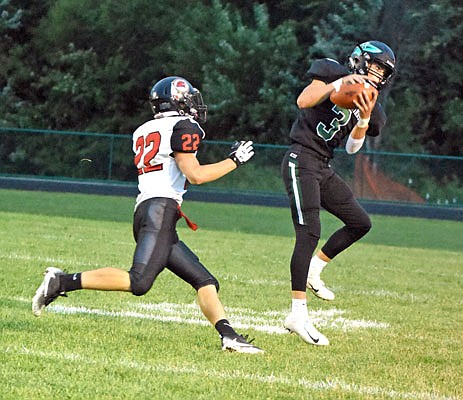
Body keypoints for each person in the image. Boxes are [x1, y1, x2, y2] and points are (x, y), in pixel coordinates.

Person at [32, 76, 263, 354]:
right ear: (178, 99)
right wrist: (234, 161)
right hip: (159, 212)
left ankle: (229, 335)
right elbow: (195, 174)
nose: (193, 104)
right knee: (139, 281)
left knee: (204, 281)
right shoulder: (184, 126)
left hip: (150, 211)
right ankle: (62, 281)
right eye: (188, 97)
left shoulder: (143, 129)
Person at [281, 41, 396, 345]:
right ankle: (297, 314)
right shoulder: (331, 70)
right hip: (300, 157)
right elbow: (303, 101)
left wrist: (365, 117)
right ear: (360, 60)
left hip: (322, 164)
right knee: (309, 231)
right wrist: (340, 83)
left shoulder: (374, 104)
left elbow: (352, 148)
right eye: (375, 66)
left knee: (360, 222)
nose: (378, 74)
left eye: (383, 71)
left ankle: (315, 269)